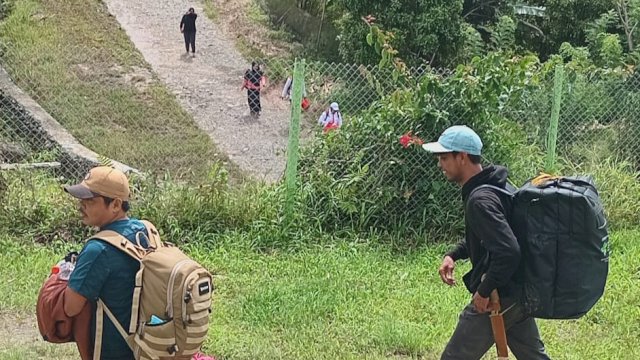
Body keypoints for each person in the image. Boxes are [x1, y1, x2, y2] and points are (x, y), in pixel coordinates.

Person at [422, 125, 550, 360]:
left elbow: (508, 251)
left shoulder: (480, 200)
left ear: (461, 157)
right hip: (520, 290)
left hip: (499, 295)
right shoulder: (497, 186)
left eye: (443, 157)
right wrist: (454, 254)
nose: (439, 164)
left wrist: (483, 291)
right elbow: (488, 236)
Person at [62, 166, 150, 360]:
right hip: (147, 346)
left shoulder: (98, 249)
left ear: (116, 205)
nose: (81, 206)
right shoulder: (145, 230)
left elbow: (71, 307)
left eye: (90, 201)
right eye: (81, 200)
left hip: (115, 351)